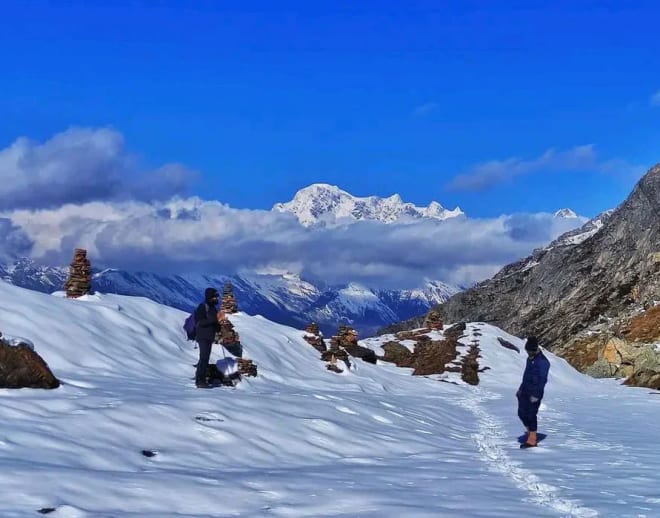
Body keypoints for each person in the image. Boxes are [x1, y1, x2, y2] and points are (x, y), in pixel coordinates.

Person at [517, 336, 550, 448]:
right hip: (525, 390)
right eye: (527, 351)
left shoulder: (543, 362)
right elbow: (526, 376)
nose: (528, 353)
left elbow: (542, 380)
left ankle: (532, 439)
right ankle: (530, 432)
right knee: (521, 414)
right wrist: (521, 389)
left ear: (536, 349)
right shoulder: (529, 359)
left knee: (531, 415)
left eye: (530, 351)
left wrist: (536, 395)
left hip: (535, 393)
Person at [194, 288, 221, 388]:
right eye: (215, 296)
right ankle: (200, 381)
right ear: (210, 297)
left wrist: (218, 326)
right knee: (203, 358)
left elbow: (212, 322)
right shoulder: (203, 307)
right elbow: (200, 322)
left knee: (205, 358)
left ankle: (201, 379)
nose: (216, 298)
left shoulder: (212, 308)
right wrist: (213, 320)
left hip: (209, 337)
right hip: (203, 336)